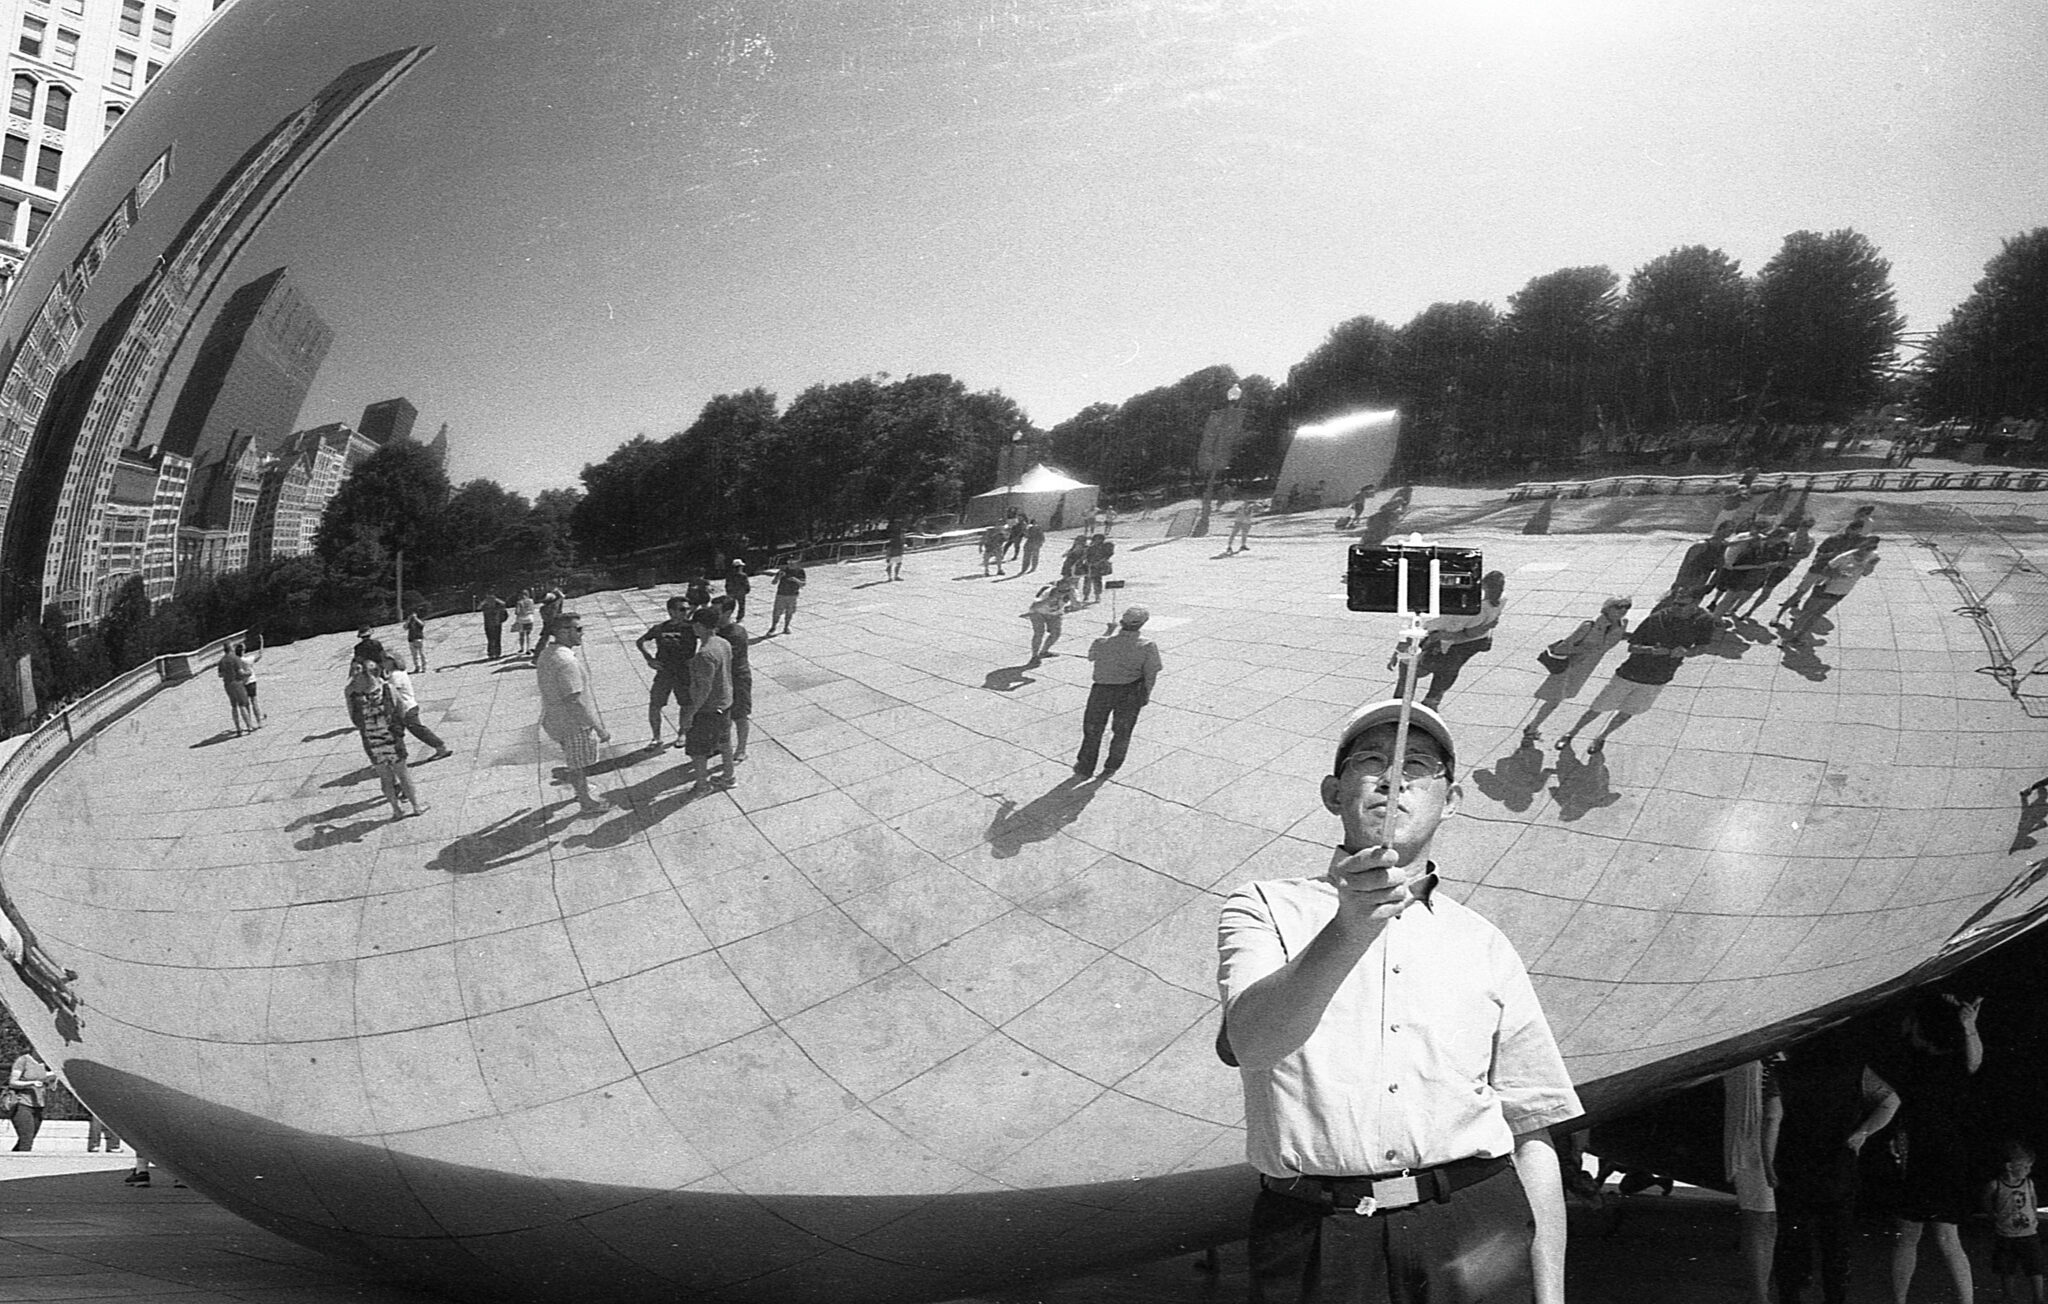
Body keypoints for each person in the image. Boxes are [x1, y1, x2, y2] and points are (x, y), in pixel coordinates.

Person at [1217, 700, 1582, 1304]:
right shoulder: (1264, 909)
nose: (1394, 779)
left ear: (1452, 799)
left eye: (1418, 765)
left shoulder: (1482, 941)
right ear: (1335, 794)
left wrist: (1551, 1295)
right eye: (1371, 762)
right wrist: (1347, 929)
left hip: (1472, 1222)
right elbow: (1253, 1042)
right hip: (1320, 1234)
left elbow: (1530, 1123)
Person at [1769, 1026, 1899, 1304]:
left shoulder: (1783, 1073)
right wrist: (1863, 1132)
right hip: (1838, 1165)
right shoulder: (1855, 1071)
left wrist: (1767, 1162)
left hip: (1793, 1165)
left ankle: (1791, 1295)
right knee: (1836, 1245)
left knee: (1791, 1239)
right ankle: (1835, 1297)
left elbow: (1773, 1118)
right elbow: (1890, 1101)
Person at [1881, 993, 1983, 1304]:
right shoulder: (1914, 1060)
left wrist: (1968, 1025)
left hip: (1937, 1154)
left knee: (1939, 1235)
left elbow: (1975, 1061)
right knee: (1922, 1235)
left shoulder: (1947, 1061)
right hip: (1931, 1153)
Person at [1556, 589, 1716, 753]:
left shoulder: (1705, 620)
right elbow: (1632, 646)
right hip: (1630, 673)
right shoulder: (1658, 618)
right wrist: (1650, 650)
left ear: (1696, 604)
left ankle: (1601, 737)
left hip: (1659, 678)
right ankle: (1571, 734)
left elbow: (1703, 646)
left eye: (1681, 604)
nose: (1675, 607)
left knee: (1628, 711)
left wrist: (1687, 652)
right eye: (1675, 602)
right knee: (1598, 707)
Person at [1522, 596, 1630, 746]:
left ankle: (1532, 727)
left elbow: (1615, 638)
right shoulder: (1589, 626)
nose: (1623, 610)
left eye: (1627, 607)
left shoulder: (1621, 624)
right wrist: (1583, 649)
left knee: (1558, 699)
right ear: (1607, 608)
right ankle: (1531, 729)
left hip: (1585, 670)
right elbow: (1562, 648)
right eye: (1619, 606)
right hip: (1569, 667)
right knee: (1554, 700)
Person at [1396, 570, 1506, 710]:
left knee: (1411, 667)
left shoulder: (1468, 608)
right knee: (1448, 671)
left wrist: (1435, 636)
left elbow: (1458, 631)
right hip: (1473, 643)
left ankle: (1402, 705)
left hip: (1452, 641)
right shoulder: (1501, 598)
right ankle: (1431, 702)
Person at [1073, 605, 1160, 779]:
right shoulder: (1148, 645)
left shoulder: (1102, 642)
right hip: (1130, 691)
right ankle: (1112, 764)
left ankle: (1085, 766)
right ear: (1143, 624)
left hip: (1102, 690)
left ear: (1121, 622)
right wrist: (1146, 694)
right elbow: (1151, 673)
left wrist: (1108, 631)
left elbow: (1091, 656)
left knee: (1092, 729)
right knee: (1123, 730)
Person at [536, 611, 610, 813]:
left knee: (574, 758)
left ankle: (582, 788)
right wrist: (599, 728)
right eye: (578, 629)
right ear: (562, 632)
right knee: (577, 763)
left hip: (555, 718)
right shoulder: (566, 661)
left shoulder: (548, 652)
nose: (582, 633)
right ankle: (586, 802)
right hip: (573, 722)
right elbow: (574, 700)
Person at [1723, 1058, 1781, 1304]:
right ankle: (1759, 1296)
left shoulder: (1756, 1063)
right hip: (1754, 1145)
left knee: (1763, 1221)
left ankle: (1760, 1294)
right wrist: (1768, 1162)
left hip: (1751, 1142)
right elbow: (1772, 1114)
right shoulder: (1761, 1064)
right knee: (1761, 1220)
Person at [346, 658, 426, 819]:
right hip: (391, 736)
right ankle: (416, 806)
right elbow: (401, 710)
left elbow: (353, 718)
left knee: (385, 777)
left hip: (371, 740)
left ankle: (396, 810)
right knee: (403, 774)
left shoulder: (350, 691)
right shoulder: (387, 688)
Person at [1781, 538, 1880, 645]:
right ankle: (1788, 636)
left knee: (1818, 614)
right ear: (1860, 546)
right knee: (1807, 612)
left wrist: (1871, 565)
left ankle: (1798, 637)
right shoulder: (1844, 557)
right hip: (1825, 587)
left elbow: (1865, 573)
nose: (1868, 551)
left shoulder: (1873, 556)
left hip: (1842, 591)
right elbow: (1826, 571)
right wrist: (1838, 574)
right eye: (1866, 548)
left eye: (1872, 548)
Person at [679, 606, 734, 793]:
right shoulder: (723, 643)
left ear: (701, 626)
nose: (693, 628)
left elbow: (704, 689)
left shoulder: (704, 654)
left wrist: (689, 715)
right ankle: (729, 777)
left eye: (694, 624)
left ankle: (702, 786)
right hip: (725, 703)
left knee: (698, 750)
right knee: (725, 742)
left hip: (707, 710)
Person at [634, 596, 697, 750]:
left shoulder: (692, 627)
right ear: (671, 611)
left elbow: (709, 639)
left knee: (686, 704)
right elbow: (640, 641)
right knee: (655, 704)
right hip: (665, 672)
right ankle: (656, 737)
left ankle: (682, 733)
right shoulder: (660, 628)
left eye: (688, 609)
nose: (686, 612)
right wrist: (649, 658)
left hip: (684, 672)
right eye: (682, 609)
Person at [1986, 1139, 2043, 1304]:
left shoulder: (2028, 1183)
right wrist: (1992, 1214)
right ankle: (2008, 1296)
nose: (2028, 1170)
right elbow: (1986, 1198)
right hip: (2005, 1234)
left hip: (2029, 1233)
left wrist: (2033, 1215)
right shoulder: (1996, 1185)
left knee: (2035, 1268)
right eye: (2025, 1166)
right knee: (2006, 1268)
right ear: (2010, 1166)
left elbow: (2033, 1199)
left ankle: (2038, 1298)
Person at [1775, 519, 1868, 621]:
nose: (1851, 532)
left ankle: (1801, 616)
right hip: (1819, 568)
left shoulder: (1860, 542)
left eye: (1855, 530)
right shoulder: (1835, 539)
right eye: (1850, 529)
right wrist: (1832, 554)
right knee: (1800, 591)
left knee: (1814, 596)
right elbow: (1819, 553)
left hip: (1833, 573)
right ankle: (1778, 615)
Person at [382, 654, 452, 762]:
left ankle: (441, 747)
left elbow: (393, 694)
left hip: (405, 708)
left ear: (392, 661)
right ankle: (397, 756)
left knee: (417, 730)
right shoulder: (397, 673)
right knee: (396, 732)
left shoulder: (396, 676)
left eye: (384, 661)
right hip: (407, 706)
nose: (382, 664)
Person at [1741, 517, 1814, 618]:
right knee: (1754, 586)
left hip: (1784, 567)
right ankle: (1737, 607)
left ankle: (1751, 610)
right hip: (1772, 564)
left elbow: (1805, 555)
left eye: (1806, 527)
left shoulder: (1810, 540)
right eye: (1802, 526)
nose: (1802, 530)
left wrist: (1789, 555)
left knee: (1767, 589)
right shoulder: (1790, 536)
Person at [713, 595, 753, 763]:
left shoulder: (736, 632)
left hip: (738, 678)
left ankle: (741, 748)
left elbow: (724, 657)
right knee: (721, 714)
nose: (712, 614)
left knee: (740, 715)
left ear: (728, 612)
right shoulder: (716, 629)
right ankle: (718, 744)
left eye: (716, 611)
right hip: (721, 678)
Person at [1671, 521, 1735, 603]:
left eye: (1732, 531)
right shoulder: (1702, 545)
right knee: (1679, 599)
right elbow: (1686, 564)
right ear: (1720, 529)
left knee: (1695, 600)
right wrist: (1678, 582)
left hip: (1703, 576)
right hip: (1690, 576)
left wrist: (1712, 583)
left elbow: (1720, 564)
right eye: (1729, 529)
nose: (1730, 532)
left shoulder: (1723, 546)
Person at [3, 1050, 54, 1151]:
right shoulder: (24, 1060)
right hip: (22, 1103)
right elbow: (13, 1082)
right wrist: (31, 1083)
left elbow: (48, 1081)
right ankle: (22, 1164)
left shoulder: (46, 1063)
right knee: (27, 1138)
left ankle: (12, 1160)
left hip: (39, 1105)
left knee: (28, 1138)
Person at [1024, 575, 1075, 663]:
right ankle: (1034, 655)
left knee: (1056, 633)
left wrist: (1072, 597)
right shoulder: (1047, 592)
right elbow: (1035, 606)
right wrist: (1052, 598)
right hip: (1038, 612)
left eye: (1067, 589)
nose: (1063, 592)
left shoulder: (1072, 592)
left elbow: (1077, 605)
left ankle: (1044, 651)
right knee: (1039, 633)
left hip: (1055, 613)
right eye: (1061, 589)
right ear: (1057, 586)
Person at [218, 643, 256, 735]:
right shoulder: (235, 658)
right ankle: (249, 726)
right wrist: (248, 673)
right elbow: (241, 672)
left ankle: (238, 728)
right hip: (237, 683)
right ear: (231, 648)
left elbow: (220, 675)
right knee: (242, 705)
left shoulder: (221, 661)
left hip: (227, 685)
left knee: (234, 706)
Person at [767, 556, 805, 635]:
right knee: (776, 612)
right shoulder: (783, 570)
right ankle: (773, 627)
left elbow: (803, 583)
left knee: (790, 612)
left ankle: (786, 627)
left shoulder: (800, 571)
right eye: (789, 562)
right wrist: (778, 577)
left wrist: (795, 580)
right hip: (781, 594)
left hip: (792, 595)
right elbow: (773, 582)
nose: (790, 564)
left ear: (796, 563)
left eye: (793, 563)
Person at [1081, 533, 1113, 605]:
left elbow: (1107, 556)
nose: (1097, 541)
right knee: (1087, 582)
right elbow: (1085, 556)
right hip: (1089, 566)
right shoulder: (1090, 547)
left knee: (1097, 581)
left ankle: (1097, 596)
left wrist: (1099, 562)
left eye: (1099, 539)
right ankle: (1086, 596)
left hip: (1098, 567)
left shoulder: (1104, 547)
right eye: (1096, 539)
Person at [480, 591, 508, 659]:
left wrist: (495, 599)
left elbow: (503, 604)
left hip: (494, 624)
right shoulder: (486, 607)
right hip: (492, 624)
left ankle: (495, 653)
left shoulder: (496, 606)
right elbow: (478, 607)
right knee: (492, 639)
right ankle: (493, 653)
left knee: (495, 639)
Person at [513, 588, 538, 656]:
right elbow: (533, 610)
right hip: (529, 618)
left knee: (521, 635)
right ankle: (528, 649)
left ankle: (522, 648)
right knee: (528, 635)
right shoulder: (531, 601)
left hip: (521, 619)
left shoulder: (519, 602)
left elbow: (517, 612)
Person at [404, 608, 428, 673]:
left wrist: (416, 618)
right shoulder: (410, 622)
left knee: (422, 654)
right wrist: (408, 620)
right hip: (411, 639)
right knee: (414, 655)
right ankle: (417, 667)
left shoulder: (420, 620)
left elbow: (422, 625)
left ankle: (424, 667)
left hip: (419, 638)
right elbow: (405, 627)